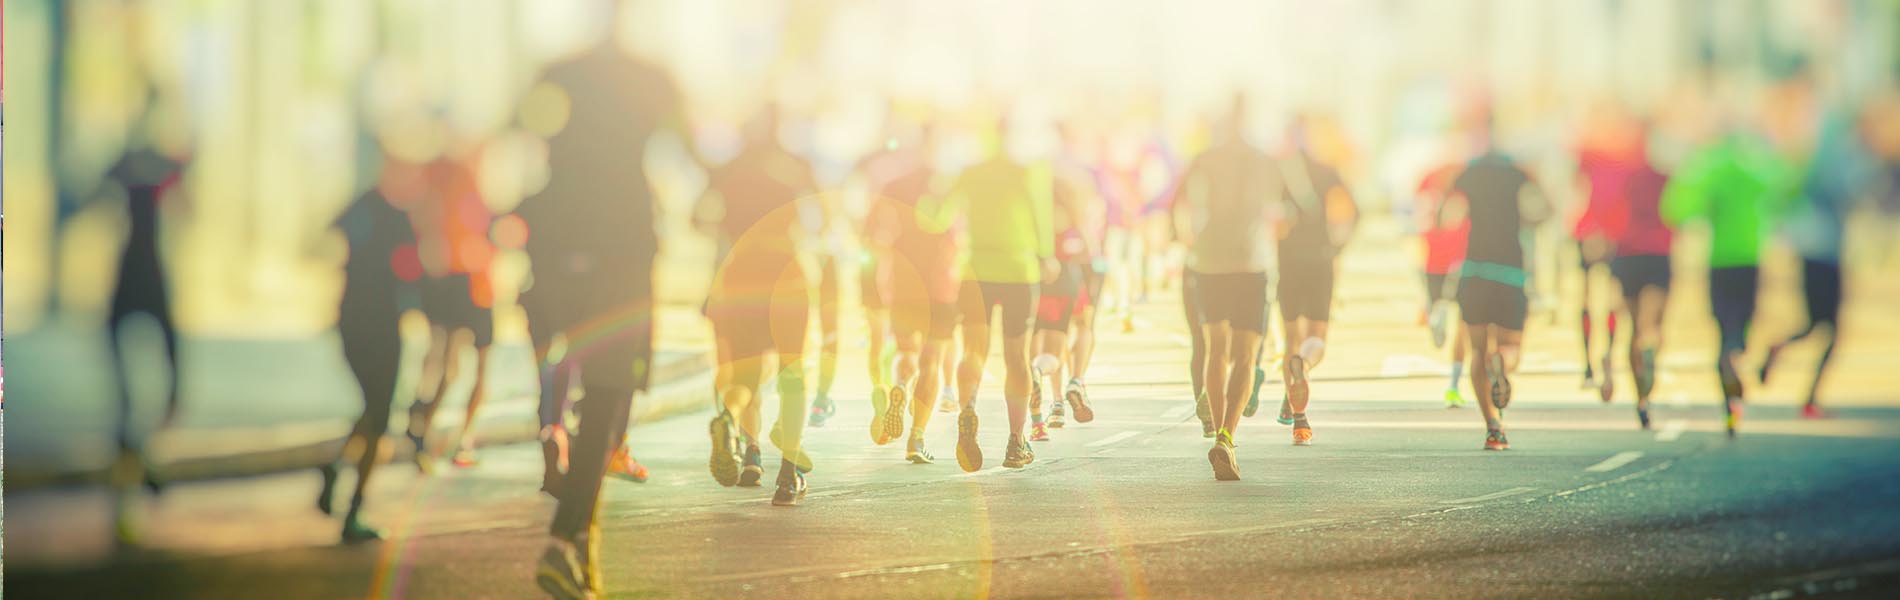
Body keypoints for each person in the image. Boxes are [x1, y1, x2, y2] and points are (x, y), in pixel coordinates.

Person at [518, 25, 684, 598]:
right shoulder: (653, 77)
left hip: (553, 248)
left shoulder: (559, 70)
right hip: (621, 259)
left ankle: (581, 545)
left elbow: (520, 126)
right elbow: (689, 141)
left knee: (565, 370)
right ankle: (566, 540)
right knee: (611, 400)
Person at [702, 105, 820, 504]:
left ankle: (735, 428)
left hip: (739, 275)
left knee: (745, 377)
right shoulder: (794, 168)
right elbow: (815, 221)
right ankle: (788, 475)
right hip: (785, 273)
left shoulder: (728, 171)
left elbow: (697, 219)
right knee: (791, 371)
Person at [1661, 127, 1795, 438]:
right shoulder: (1752, 170)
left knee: (1722, 331)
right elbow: (1781, 194)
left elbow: (1680, 211)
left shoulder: (1712, 172)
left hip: (1719, 260)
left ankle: (1729, 406)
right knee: (1742, 326)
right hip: (1749, 258)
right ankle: (1738, 354)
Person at [940, 117, 1056, 472]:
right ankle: (1016, 441)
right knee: (1016, 356)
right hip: (1019, 270)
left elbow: (938, 216)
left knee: (973, 349)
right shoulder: (1025, 173)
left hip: (976, 269)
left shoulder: (969, 173)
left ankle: (968, 408)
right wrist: (1046, 256)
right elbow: (1041, 222)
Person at [1175, 96, 1277, 479]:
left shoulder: (1204, 158)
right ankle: (1225, 436)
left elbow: (1178, 203)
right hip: (1250, 263)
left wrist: (1188, 238)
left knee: (1215, 350)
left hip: (1209, 262)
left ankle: (1217, 430)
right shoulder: (1262, 159)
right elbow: (1291, 207)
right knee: (1246, 356)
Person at [1436, 120, 1551, 451]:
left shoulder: (1466, 173)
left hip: (1475, 271)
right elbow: (1546, 211)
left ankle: (1494, 428)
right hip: (1510, 271)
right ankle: (1502, 359)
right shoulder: (1519, 173)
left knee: (1476, 350)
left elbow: (1444, 216)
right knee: (1511, 345)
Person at [1760, 107, 1874, 419]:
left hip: (1811, 252)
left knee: (1815, 326)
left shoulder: (1811, 160)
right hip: (1826, 254)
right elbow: (1847, 191)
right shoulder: (1834, 159)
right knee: (1830, 330)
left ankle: (1782, 351)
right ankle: (1810, 397)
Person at [318, 172, 412, 544]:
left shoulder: (362, 206)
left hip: (349, 318)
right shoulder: (403, 217)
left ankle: (336, 466)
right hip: (383, 324)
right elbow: (418, 269)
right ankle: (355, 510)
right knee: (381, 419)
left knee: (373, 411)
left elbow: (328, 237)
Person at [104, 141, 183, 546]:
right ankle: (142, 464)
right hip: (144, 273)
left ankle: (140, 462)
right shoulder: (155, 185)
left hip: (134, 274)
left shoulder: (138, 179)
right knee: (140, 397)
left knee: (131, 401)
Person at [862, 124, 956, 462]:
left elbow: (869, 230)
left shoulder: (893, 182)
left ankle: (899, 386)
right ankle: (916, 440)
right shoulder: (948, 185)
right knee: (931, 361)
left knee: (905, 351)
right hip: (940, 283)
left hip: (902, 282)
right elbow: (959, 232)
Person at [405, 155, 499, 471]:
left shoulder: (456, 184)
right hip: (468, 286)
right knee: (459, 367)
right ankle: (439, 433)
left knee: (459, 366)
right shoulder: (452, 181)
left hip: (470, 285)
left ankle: (434, 430)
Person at [1270, 118, 1358, 446]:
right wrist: (1337, 247)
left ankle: (1299, 421)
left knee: (1290, 335)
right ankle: (1304, 366)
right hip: (1321, 261)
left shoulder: (1277, 173)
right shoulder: (1326, 170)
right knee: (1316, 336)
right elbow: (1356, 211)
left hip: (1287, 263)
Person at [1028, 147, 1102, 440]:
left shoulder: (1033, 208)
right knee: (1059, 347)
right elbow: (1088, 246)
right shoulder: (1072, 204)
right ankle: (1067, 383)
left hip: (1034, 279)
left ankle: (1047, 408)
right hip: (1066, 277)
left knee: (1035, 345)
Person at [1605, 127, 1674, 429]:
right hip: (1658, 253)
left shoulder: (1623, 178)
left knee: (1631, 326)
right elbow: (1679, 214)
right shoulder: (1665, 178)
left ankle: (1641, 401)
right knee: (1653, 323)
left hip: (1627, 253)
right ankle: (1651, 344)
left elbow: (1611, 213)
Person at [1571, 105, 1636, 400]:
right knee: (1610, 300)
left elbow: (1578, 188)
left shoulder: (1588, 151)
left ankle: (1589, 366)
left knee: (1588, 298)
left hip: (1590, 228)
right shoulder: (1628, 153)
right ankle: (1604, 356)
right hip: (1614, 232)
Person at [1417, 161, 1470, 408]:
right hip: (1443, 265)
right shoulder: (1444, 198)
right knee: (1455, 324)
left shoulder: (1442, 197)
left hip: (1448, 266)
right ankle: (1454, 384)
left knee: (1460, 323)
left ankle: (1454, 384)